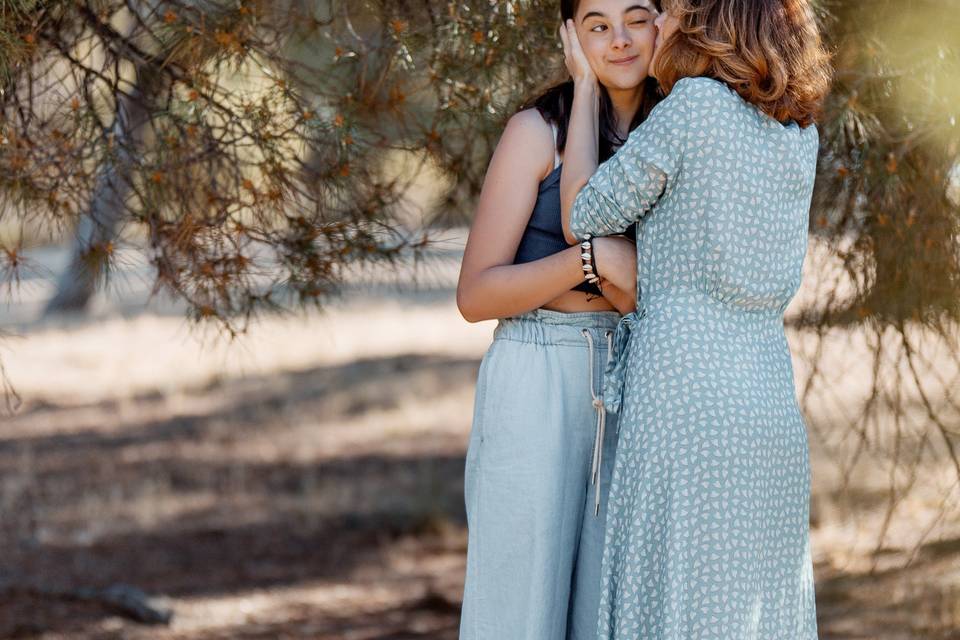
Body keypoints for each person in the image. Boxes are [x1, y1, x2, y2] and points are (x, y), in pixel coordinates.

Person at [558, 0, 832, 637]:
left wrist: (580, 88)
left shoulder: (695, 108)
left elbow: (583, 214)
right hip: (767, 390)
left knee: (675, 588)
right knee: (751, 600)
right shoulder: (800, 134)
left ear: (713, 24)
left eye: (674, 12)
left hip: (685, 386)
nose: (661, 25)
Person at [455, 1, 662, 637]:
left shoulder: (681, 129)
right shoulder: (535, 131)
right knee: (521, 604)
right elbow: (476, 293)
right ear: (571, 37)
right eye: (598, 26)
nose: (620, 40)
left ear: (669, 22)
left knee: (609, 608)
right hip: (537, 370)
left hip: (637, 373)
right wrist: (589, 262)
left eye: (638, 18)